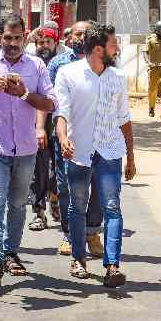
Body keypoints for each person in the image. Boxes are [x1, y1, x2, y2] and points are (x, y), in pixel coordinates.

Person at [0, 14, 57, 287]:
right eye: (7, 38)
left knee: (17, 205)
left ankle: (11, 253)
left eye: (17, 38)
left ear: (25, 37)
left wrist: (25, 94)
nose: (12, 43)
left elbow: (50, 104)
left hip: (25, 150)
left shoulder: (37, 66)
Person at [55, 24, 135, 288]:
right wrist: (64, 139)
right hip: (78, 151)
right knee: (77, 206)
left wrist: (131, 155)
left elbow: (124, 118)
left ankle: (112, 266)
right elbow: (61, 113)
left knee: (112, 207)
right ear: (99, 49)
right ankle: (78, 259)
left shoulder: (118, 78)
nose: (118, 49)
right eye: (114, 44)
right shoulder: (68, 74)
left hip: (110, 152)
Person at [48, 20, 104, 257]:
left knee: (98, 187)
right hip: (66, 138)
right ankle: (70, 234)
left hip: (98, 137)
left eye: (85, 33)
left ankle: (91, 232)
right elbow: (50, 99)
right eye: (77, 34)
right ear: (70, 38)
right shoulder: (58, 64)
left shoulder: (103, 63)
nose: (81, 37)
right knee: (66, 187)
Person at [29, 27, 62, 232]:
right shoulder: (31, 64)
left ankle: (55, 198)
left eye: (48, 42)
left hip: (59, 122)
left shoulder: (63, 64)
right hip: (36, 123)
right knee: (39, 169)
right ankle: (39, 212)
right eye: (40, 43)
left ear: (55, 44)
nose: (44, 46)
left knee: (58, 166)